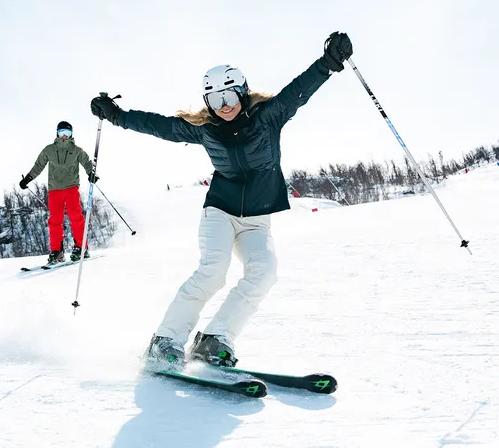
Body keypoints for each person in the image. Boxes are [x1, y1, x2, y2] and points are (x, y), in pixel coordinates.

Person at [90, 32, 353, 369]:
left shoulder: (269, 116)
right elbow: (159, 126)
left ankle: (215, 339)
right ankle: (165, 340)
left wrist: (328, 64)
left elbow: (297, 91)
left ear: (242, 92)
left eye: (229, 95)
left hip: (258, 219)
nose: (224, 105)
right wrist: (116, 115)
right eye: (215, 100)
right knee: (213, 270)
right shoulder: (206, 129)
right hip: (220, 212)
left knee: (265, 271)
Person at [20, 121, 99, 264]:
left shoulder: (77, 150)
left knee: (76, 217)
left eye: (67, 133)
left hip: (71, 188)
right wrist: (28, 179)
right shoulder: (49, 150)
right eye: (62, 132)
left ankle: (81, 247)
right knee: (55, 221)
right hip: (55, 190)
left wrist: (91, 173)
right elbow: (38, 166)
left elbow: (87, 162)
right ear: (57, 133)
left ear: (71, 135)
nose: (64, 136)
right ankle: (57, 251)